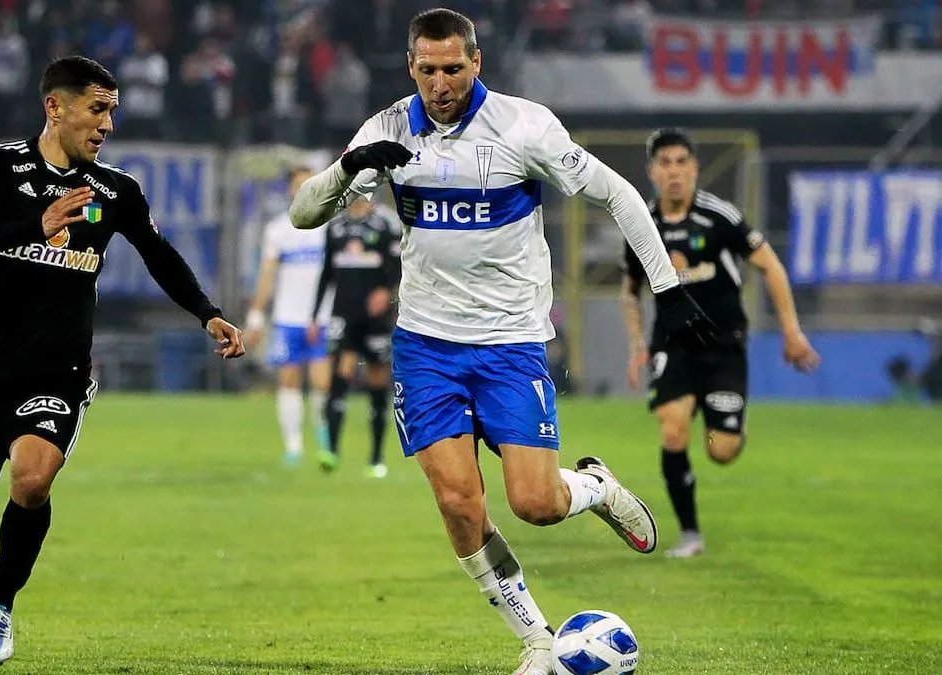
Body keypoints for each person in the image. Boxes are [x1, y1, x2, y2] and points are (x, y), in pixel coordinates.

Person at [288, 9, 714, 674]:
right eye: (427, 69)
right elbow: (303, 213)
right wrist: (350, 168)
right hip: (425, 345)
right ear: (411, 67)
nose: (440, 82)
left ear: (476, 62)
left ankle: (596, 487)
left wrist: (667, 290)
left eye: (453, 68)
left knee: (535, 503)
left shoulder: (524, 126)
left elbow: (619, 193)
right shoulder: (389, 129)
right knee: (459, 502)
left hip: (511, 341)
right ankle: (537, 637)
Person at [0, 55, 244, 669]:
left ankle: (1, 606)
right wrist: (32, 223)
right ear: (56, 107)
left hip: (58, 368)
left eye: (112, 112)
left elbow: (159, 254)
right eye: (97, 109)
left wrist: (207, 313)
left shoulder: (115, 190)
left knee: (33, 478)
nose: (107, 125)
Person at [620, 128, 820, 559]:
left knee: (722, 451)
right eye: (665, 163)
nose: (674, 172)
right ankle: (690, 535)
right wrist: (637, 345)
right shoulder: (642, 224)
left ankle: (729, 424)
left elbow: (772, 266)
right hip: (671, 345)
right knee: (673, 428)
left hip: (723, 345)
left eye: (681, 162)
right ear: (652, 172)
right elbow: (629, 289)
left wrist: (791, 332)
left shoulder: (720, 217)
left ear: (694, 168)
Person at [308, 196, 401, 477]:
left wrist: (387, 292)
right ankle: (331, 451)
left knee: (377, 382)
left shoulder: (386, 224)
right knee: (340, 376)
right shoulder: (335, 226)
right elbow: (327, 273)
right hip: (343, 314)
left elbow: (399, 267)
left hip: (376, 319)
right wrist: (314, 315)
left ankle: (375, 457)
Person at [245, 166, 332, 467]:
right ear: (290, 190)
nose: (303, 189)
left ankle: (325, 440)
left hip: (323, 317)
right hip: (287, 317)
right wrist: (256, 317)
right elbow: (267, 275)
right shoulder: (279, 229)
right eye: (298, 185)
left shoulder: (330, 224)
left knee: (323, 383)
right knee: (289, 381)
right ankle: (293, 447)